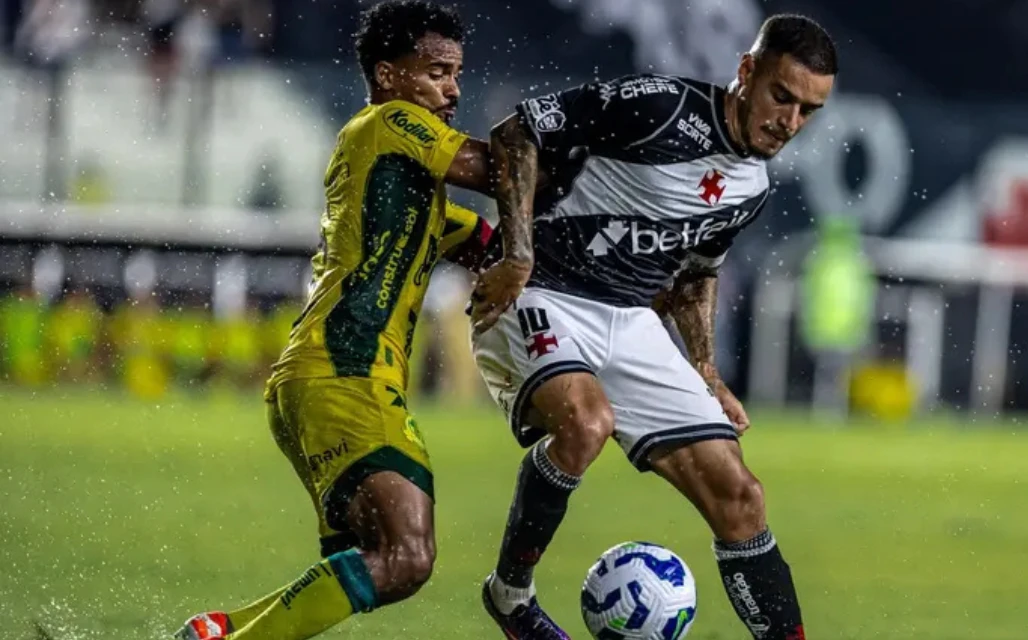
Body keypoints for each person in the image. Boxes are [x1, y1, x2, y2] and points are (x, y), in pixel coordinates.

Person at [469, 14, 837, 639]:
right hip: (540, 292)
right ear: (747, 71)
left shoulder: (752, 187)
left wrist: (707, 371)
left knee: (741, 496)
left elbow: (695, 276)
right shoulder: (659, 106)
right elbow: (516, 132)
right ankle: (510, 595)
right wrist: (518, 256)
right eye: (782, 96)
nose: (790, 121)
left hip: (632, 319)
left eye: (809, 111)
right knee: (586, 423)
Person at [173, 2, 494, 638]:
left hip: (321, 378)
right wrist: (582, 137)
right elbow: (495, 170)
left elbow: (493, 242)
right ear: (388, 74)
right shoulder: (389, 121)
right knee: (406, 556)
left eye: (457, 74)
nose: (453, 90)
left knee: (373, 559)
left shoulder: (404, 187)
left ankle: (218, 630)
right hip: (347, 373)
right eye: (437, 72)